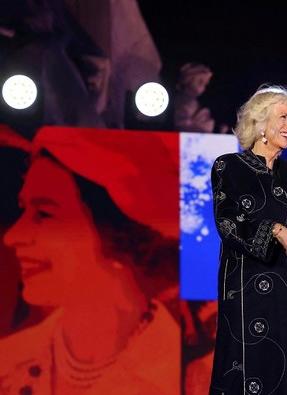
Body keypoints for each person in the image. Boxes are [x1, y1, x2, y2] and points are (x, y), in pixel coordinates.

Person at [0, 127, 180, 394]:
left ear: (120, 232)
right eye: (24, 210)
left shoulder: (190, 373)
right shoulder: (8, 360)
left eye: (45, 214)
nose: (13, 237)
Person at [209, 85, 287, 394]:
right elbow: (228, 223)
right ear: (260, 123)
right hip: (251, 298)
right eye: (284, 117)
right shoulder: (230, 167)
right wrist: (275, 229)